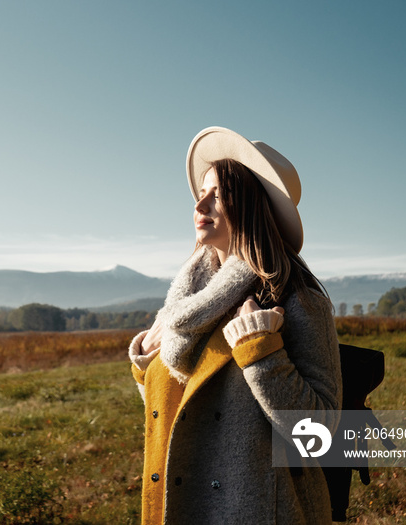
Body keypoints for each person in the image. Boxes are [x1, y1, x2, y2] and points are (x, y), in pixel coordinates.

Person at [128, 127, 342, 524]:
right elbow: (189, 414)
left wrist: (261, 352)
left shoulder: (296, 297)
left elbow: (323, 437)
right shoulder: (185, 304)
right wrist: (149, 366)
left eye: (217, 193)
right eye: (201, 192)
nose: (199, 202)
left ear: (250, 204)